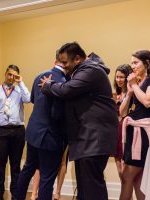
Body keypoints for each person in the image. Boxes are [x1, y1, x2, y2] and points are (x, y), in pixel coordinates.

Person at [40, 42, 118, 200]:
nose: (62, 66)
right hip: (87, 139)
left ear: (77, 59)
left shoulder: (90, 70)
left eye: (64, 62)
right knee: (85, 186)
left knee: (91, 187)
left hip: (94, 138)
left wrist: (48, 85)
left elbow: (66, 90)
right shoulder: (83, 70)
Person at [16, 52, 67, 200]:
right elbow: (58, 114)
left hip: (33, 132)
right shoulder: (65, 82)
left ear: (55, 61)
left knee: (27, 169)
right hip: (52, 135)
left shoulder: (40, 76)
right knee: (47, 177)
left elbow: (33, 99)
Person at [119, 50, 150, 200]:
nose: (132, 66)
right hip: (134, 131)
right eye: (131, 62)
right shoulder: (138, 82)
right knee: (138, 179)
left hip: (144, 133)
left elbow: (147, 101)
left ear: (146, 62)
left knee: (127, 176)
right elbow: (122, 112)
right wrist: (129, 92)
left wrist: (134, 84)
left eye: (135, 62)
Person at [0, 65, 30, 200]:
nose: (11, 77)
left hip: (18, 131)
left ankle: (16, 195)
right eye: (10, 74)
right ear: (5, 74)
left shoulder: (19, 90)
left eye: (15, 75)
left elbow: (28, 99)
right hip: (0, 131)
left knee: (16, 164)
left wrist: (21, 82)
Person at [112, 64, 132, 180]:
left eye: (122, 77)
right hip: (116, 130)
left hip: (126, 130)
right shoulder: (116, 94)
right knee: (119, 168)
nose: (119, 80)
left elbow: (123, 113)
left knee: (126, 168)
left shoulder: (131, 93)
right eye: (117, 77)